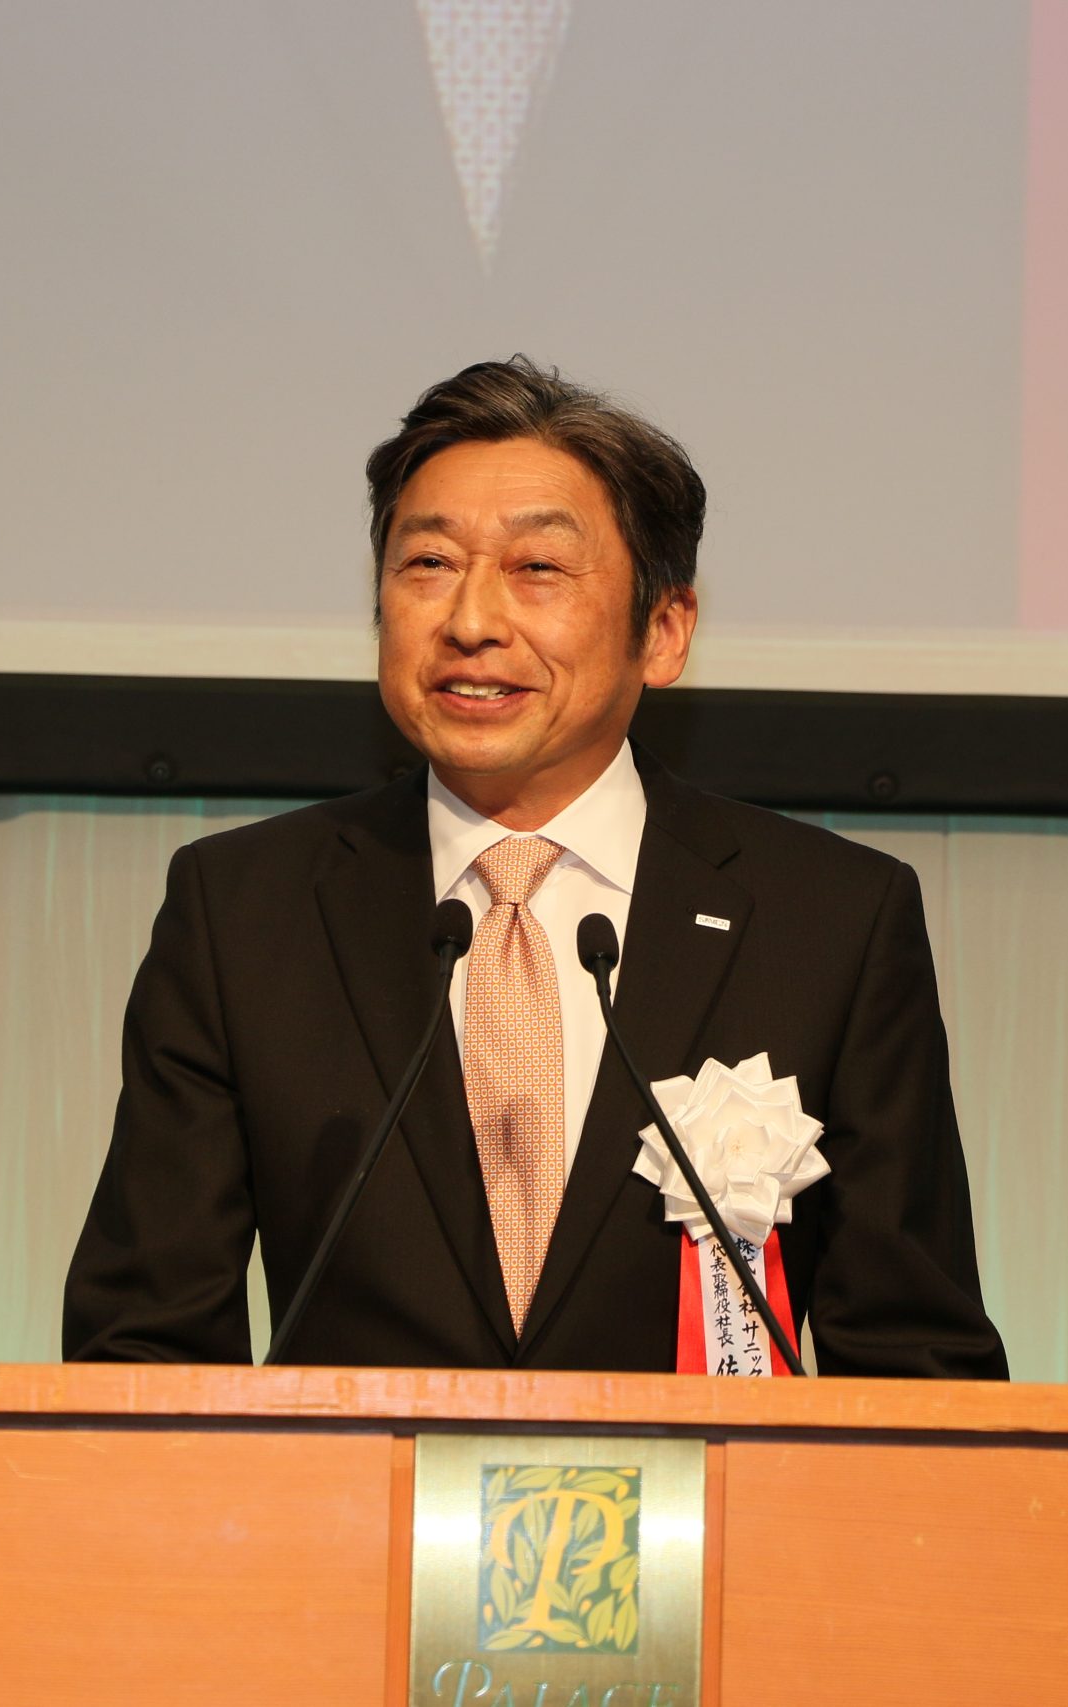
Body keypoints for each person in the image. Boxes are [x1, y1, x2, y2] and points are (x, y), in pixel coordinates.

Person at [63, 358, 1006, 1377]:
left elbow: (919, 1366)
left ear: (664, 630)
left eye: (538, 568)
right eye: (428, 562)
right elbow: (141, 1346)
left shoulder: (830, 922)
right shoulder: (244, 913)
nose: (470, 621)